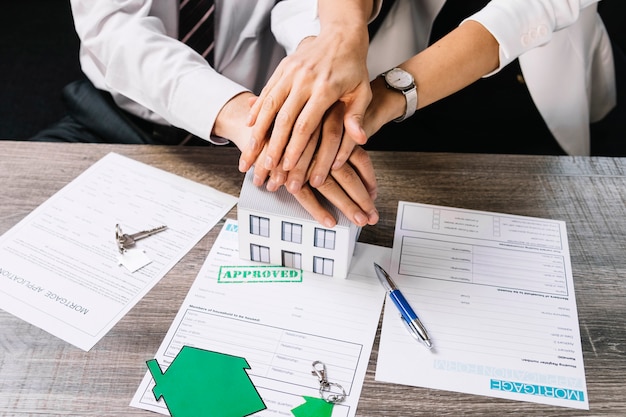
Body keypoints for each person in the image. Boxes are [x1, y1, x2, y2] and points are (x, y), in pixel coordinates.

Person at [29, 0, 380, 228]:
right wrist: (245, 117)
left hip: (255, 146)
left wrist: (317, 71)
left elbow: (305, 7)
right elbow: (117, 32)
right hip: (115, 122)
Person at [244, 0, 618, 193]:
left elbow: (525, 11)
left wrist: (385, 96)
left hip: (526, 80)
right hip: (395, 65)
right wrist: (337, 36)